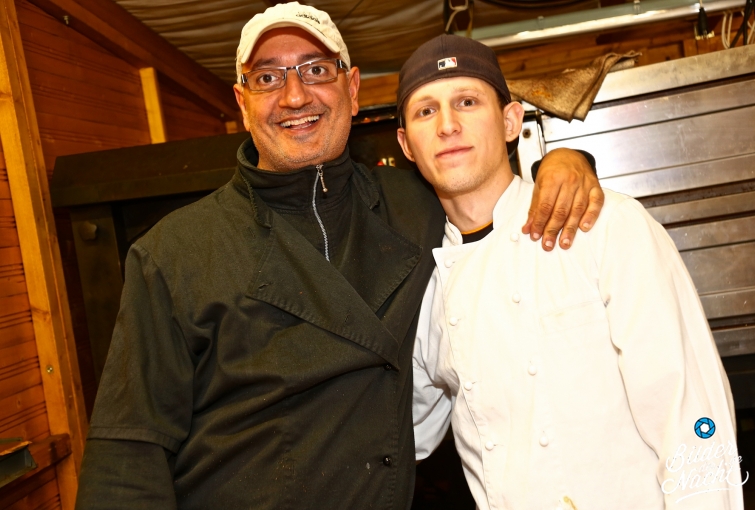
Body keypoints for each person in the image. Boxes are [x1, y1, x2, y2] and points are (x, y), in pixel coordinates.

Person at [75, 4, 604, 509]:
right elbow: (129, 451)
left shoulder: (414, 205)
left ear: (351, 89)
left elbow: (485, 187)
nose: (294, 96)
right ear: (242, 102)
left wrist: (562, 161)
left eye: (316, 69)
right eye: (267, 77)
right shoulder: (173, 252)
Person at [401, 34, 745, 510]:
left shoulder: (604, 225)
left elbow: (693, 415)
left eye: (467, 102)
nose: (447, 125)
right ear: (406, 145)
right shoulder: (426, 288)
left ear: (510, 121)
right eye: (426, 111)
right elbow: (401, 436)